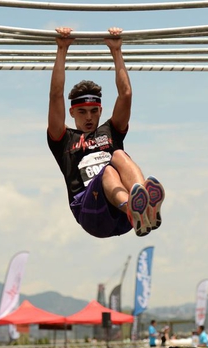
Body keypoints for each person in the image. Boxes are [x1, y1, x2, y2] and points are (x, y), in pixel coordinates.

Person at [47, 26, 165, 238]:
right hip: (90, 212)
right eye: (82, 112)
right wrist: (62, 49)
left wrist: (116, 51)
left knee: (118, 154)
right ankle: (134, 209)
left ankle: (144, 206)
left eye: (94, 111)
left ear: (100, 111)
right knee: (108, 171)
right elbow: (56, 96)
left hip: (121, 217)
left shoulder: (110, 131)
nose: (89, 117)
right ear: (72, 113)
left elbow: (126, 94)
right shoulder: (64, 139)